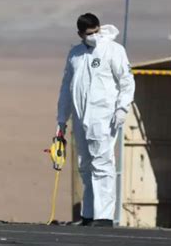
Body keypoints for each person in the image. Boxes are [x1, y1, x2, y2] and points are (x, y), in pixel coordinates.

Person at [56, 13, 135, 227]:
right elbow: (66, 87)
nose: (93, 37)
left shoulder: (114, 50)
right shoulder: (75, 54)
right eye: (88, 34)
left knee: (102, 163)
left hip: (104, 116)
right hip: (80, 118)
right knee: (85, 165)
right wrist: (62, 119)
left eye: (95, 32)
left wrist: (122, 108)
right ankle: (89, 213)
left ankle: (104, 216)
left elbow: (127, 81)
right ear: (80, 34)